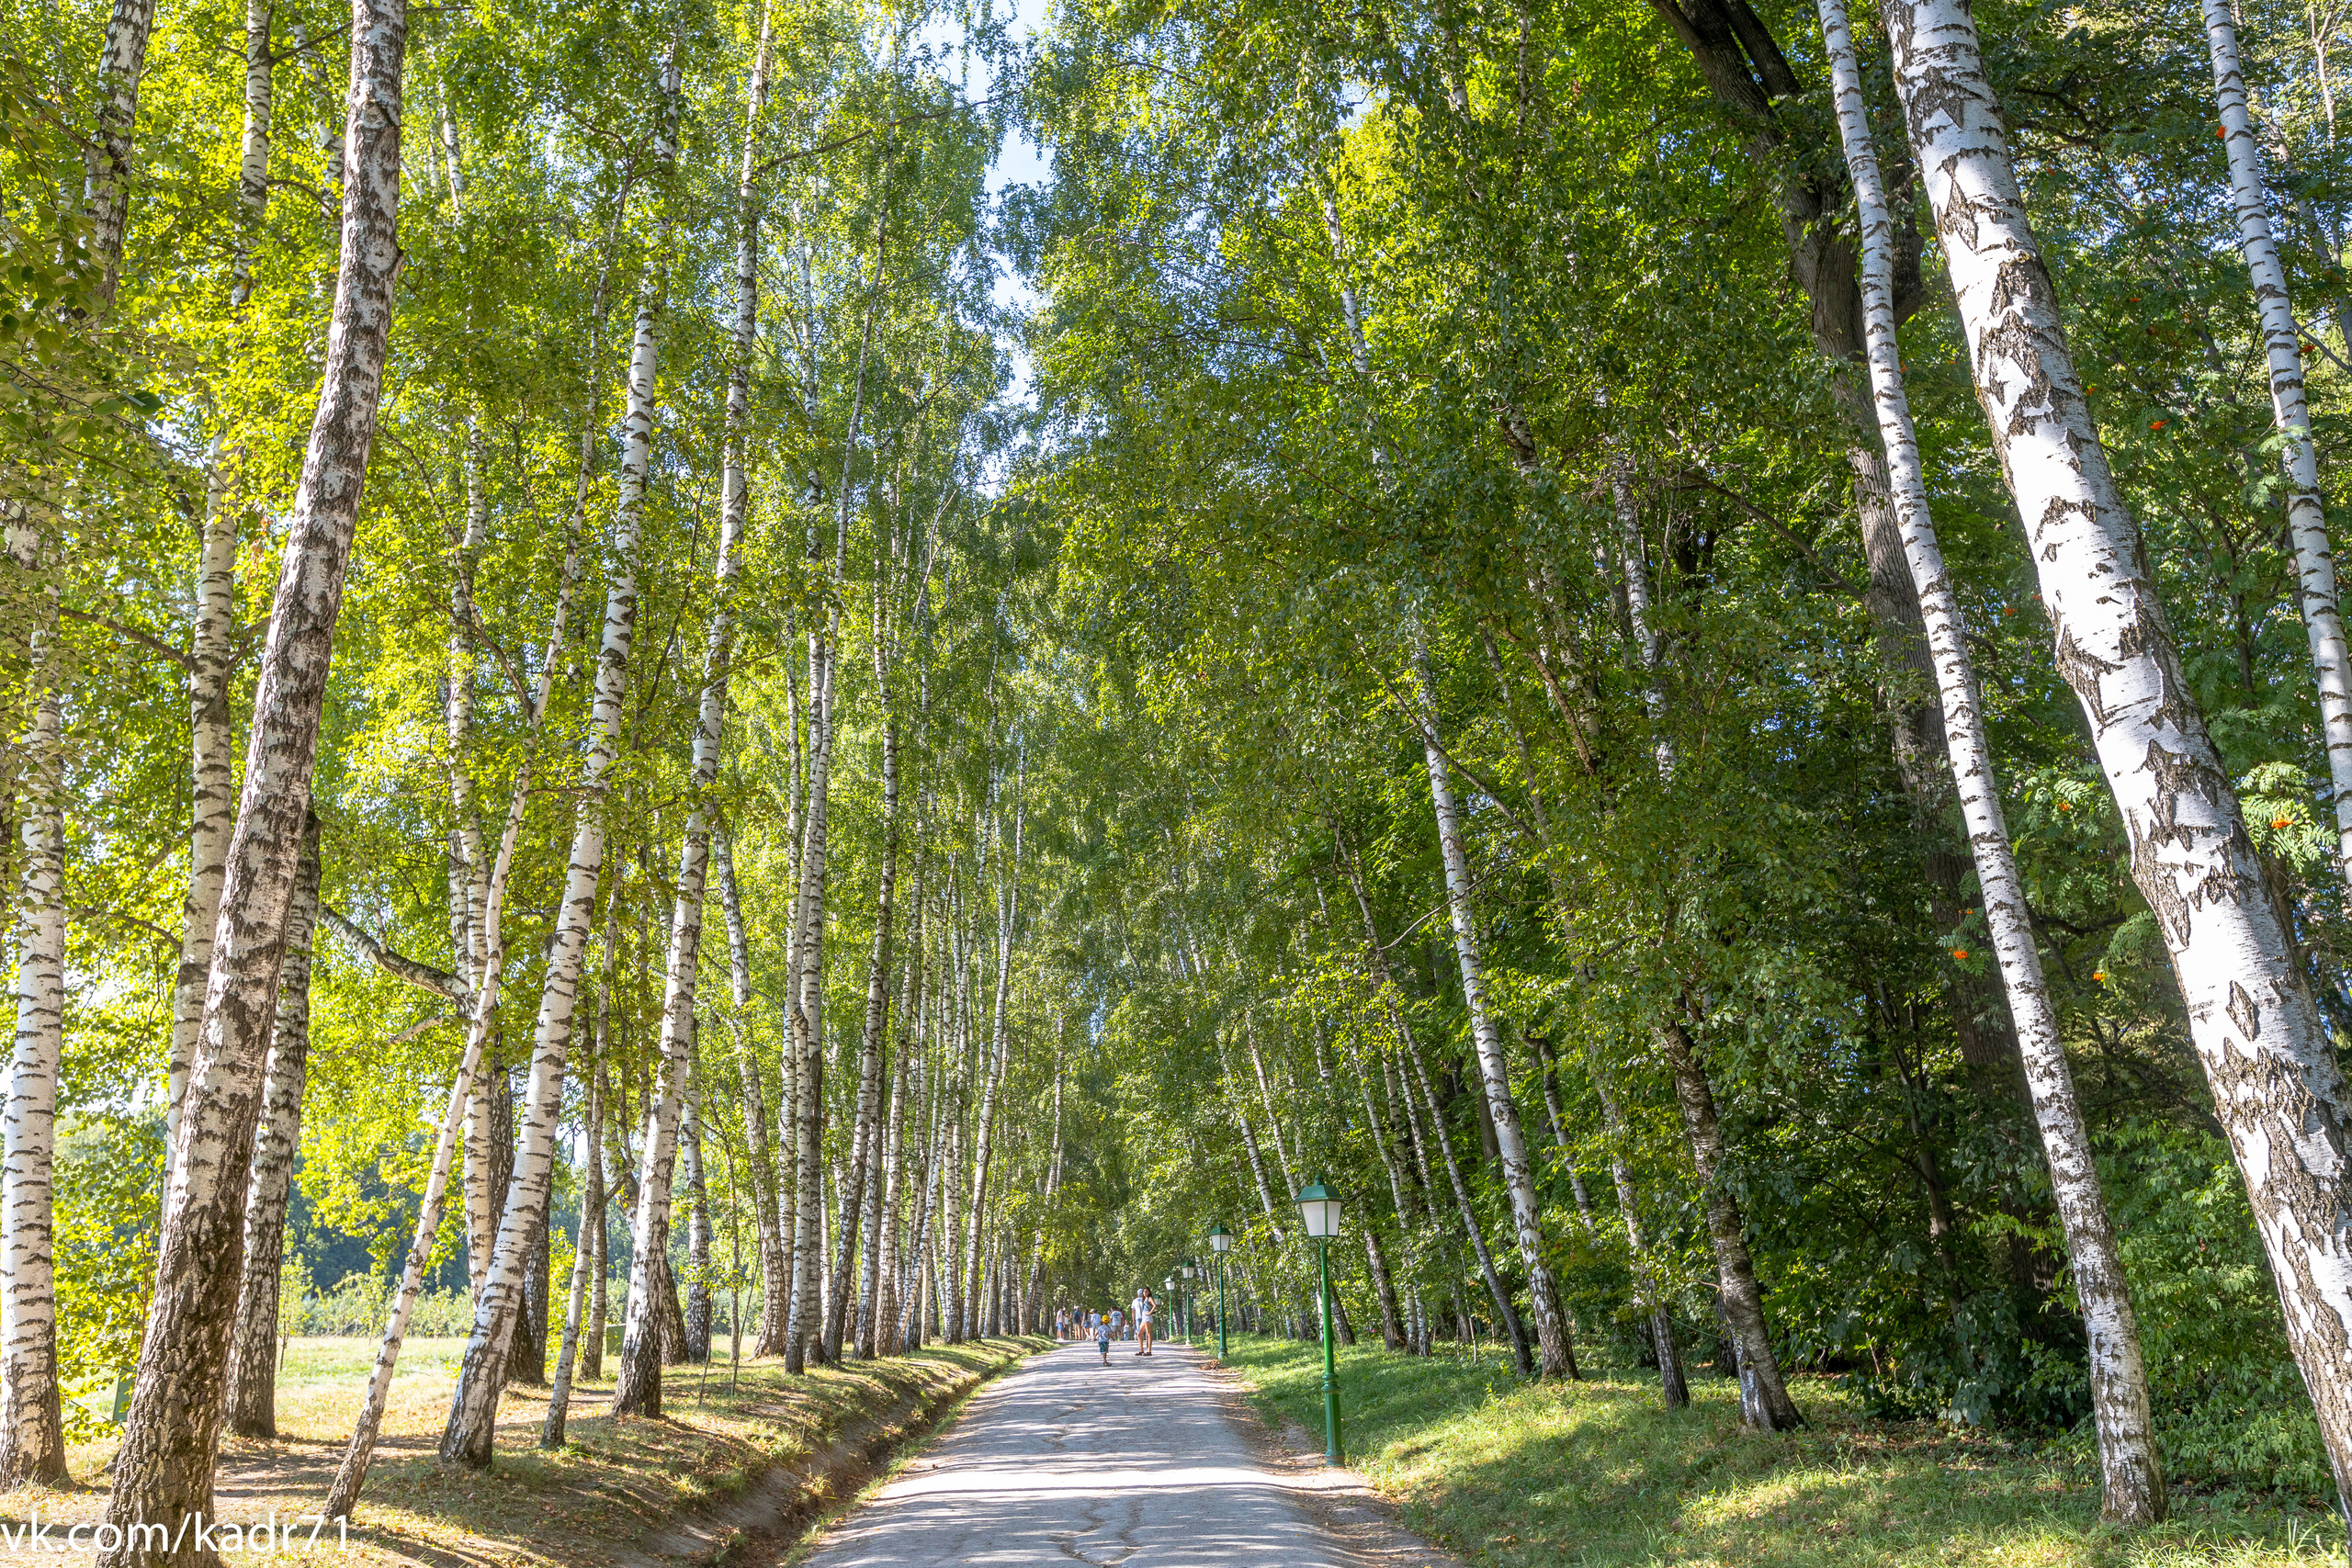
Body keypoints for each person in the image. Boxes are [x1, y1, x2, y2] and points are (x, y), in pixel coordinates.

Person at [1134, 1288, 1155, 1355]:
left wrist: (1150, 1313)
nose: (1145, 1293)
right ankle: (1141, 1350)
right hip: (1144, 1317)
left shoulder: (1149, 1298)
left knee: (1148, 1333)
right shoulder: (1144, 1299)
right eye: (1144, 1292)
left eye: (1146, 1291)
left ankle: (1149, 1350)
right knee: (1139, 1334)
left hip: (1147, 1317)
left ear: (1149, 1292)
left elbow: (1154, 1305)